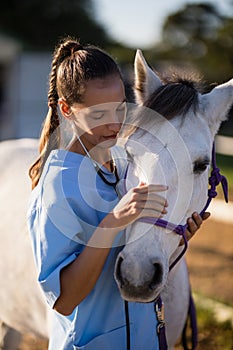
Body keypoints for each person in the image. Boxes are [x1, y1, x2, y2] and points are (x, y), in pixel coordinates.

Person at [27, 37, 209, 350]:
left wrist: (177, 233)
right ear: (67, 110)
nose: (114, 125)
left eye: (119, 109)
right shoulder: (57, 188)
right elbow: (65, 300)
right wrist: (112, 222)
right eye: (98, 115)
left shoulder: (124, 165)